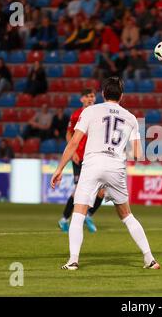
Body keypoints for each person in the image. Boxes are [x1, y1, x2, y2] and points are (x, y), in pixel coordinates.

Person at [51, 77, 160, 271]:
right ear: (121, 96)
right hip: (115, 167)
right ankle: (150, 259)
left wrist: (59, 169)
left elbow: (74, 142)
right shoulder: (130, 117)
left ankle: (73, 261)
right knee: (127, 215)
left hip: (92, 164)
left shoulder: (90, 111)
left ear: (102, 94)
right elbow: (138, 154)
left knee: (79, 212)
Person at [58, 89, 103, 233]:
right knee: (79, 191)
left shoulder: (99, 113)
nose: (90, 98)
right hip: (79, 158)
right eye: (87, 96)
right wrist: (74, 153)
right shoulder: (76, 115)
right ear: (81, 99)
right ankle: (64, 219)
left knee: (102, 191)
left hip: (94, 158)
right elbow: (69, 133)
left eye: (92, 96)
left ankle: (87, 216)